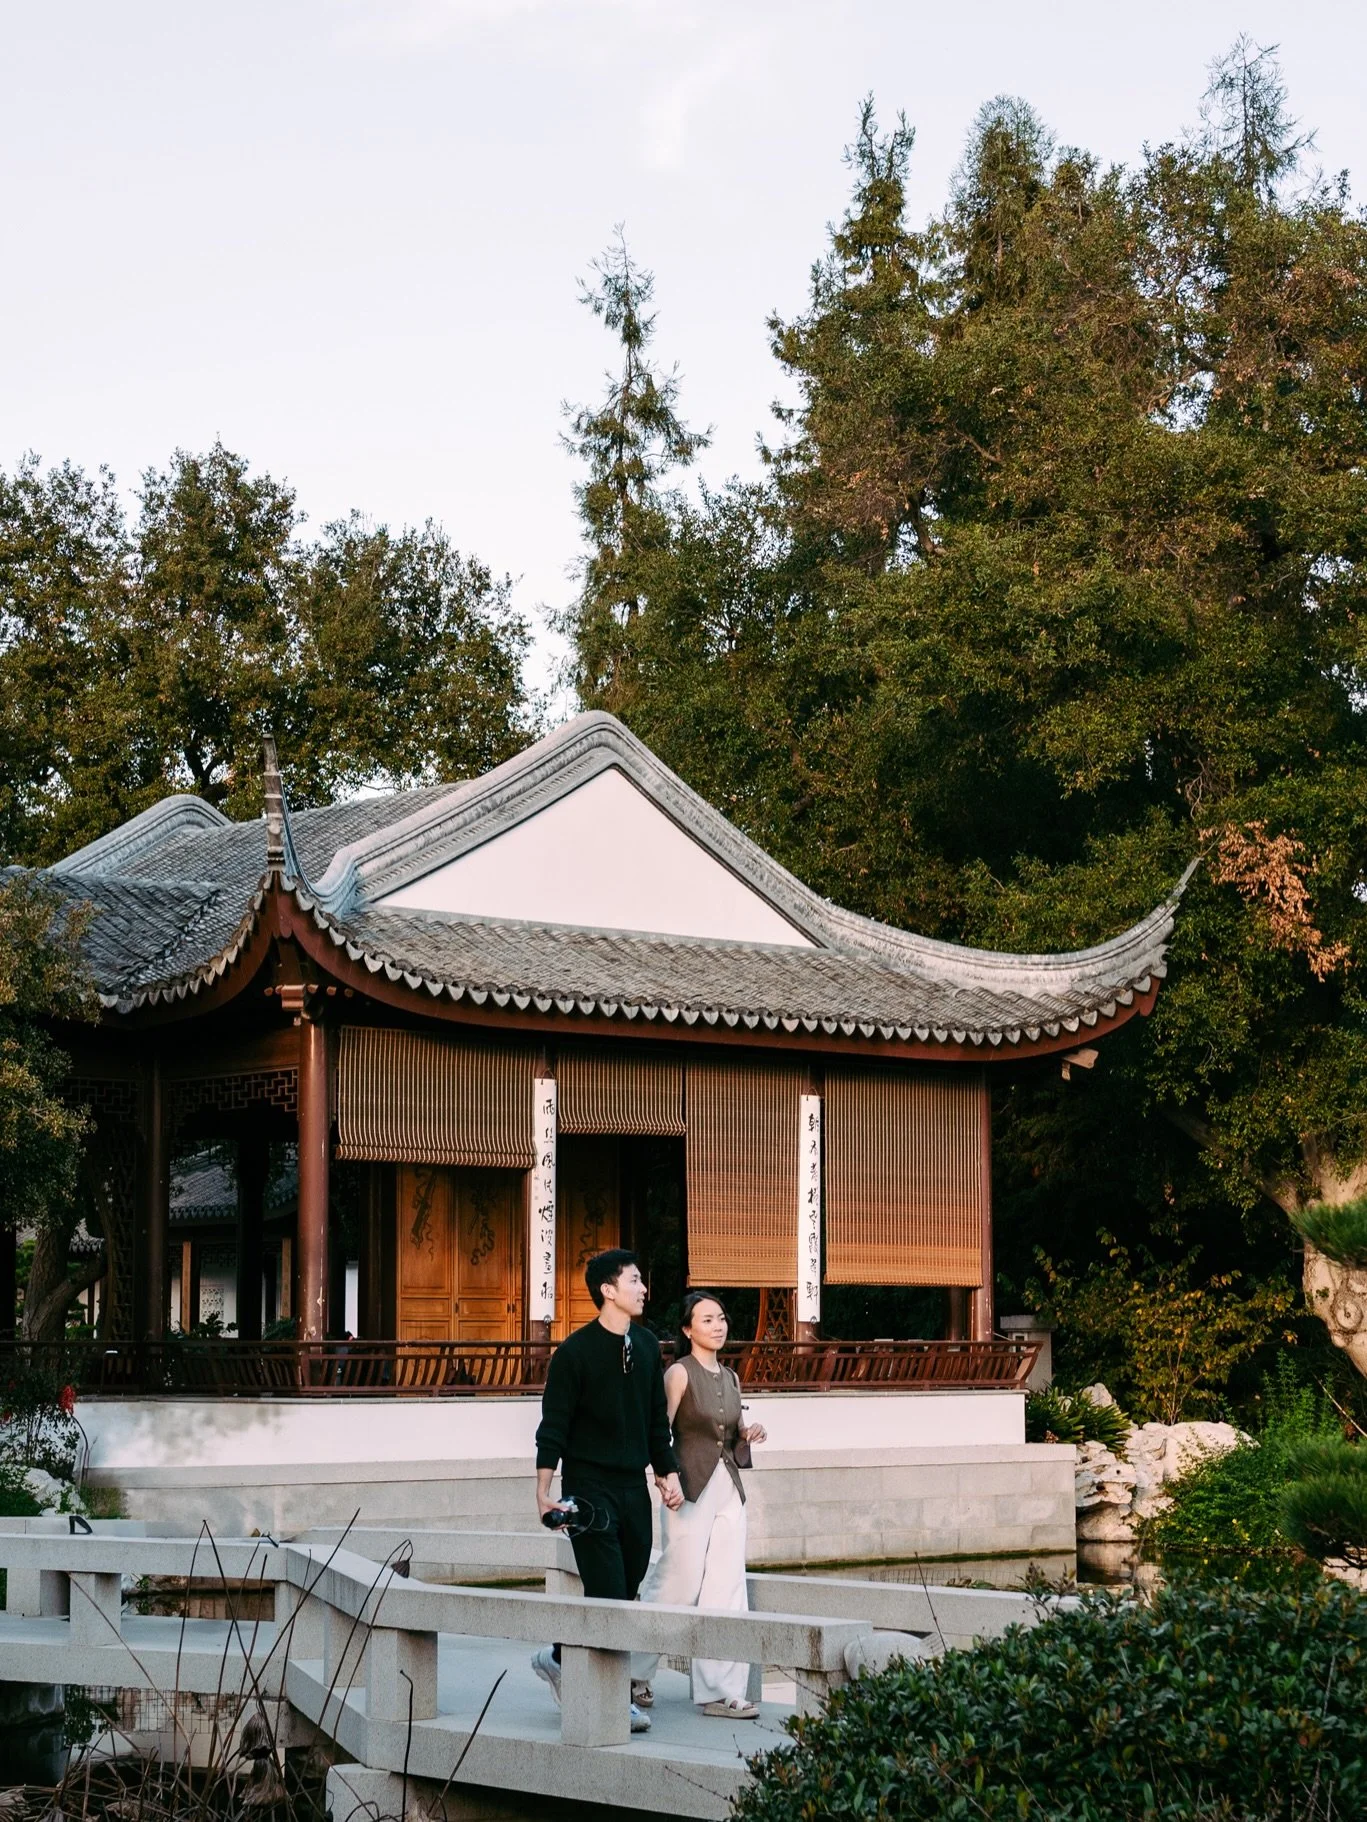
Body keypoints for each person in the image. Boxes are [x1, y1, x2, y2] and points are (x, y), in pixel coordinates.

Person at [531, 1248, 684, 1736]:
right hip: (587, 1488)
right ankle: (613, 1698)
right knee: (610, 1594)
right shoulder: (574, 1354)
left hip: (631, 1487)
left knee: (629, 1585)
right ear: (608, 1290)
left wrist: (666, 1473)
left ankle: (558, 1656)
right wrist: (543, 1489)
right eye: (635, 1280)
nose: (643, 1289)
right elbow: (553, 1425)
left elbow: (655, 1418)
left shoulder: (644, 1345)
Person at [635, 1290, 768, 1719]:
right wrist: (661, 1477)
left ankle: (720, 1691)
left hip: (728, 1490)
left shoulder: (731, 1377)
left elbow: (732, 1433)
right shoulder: (678, 1373)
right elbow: (658, 1430)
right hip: (687, 1488)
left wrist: (750, 1433)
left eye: (722, 1318)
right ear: (688, 1329)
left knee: (728, 1588)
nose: (718, 1325)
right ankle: (633, 1670)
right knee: (678, 1580)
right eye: (707, 1319)